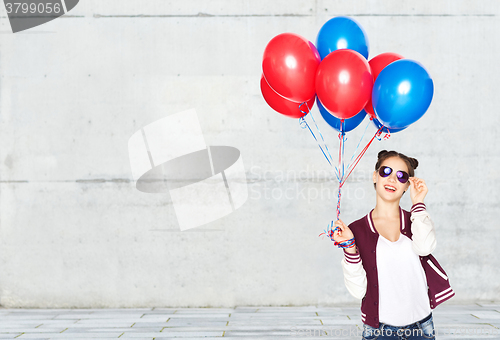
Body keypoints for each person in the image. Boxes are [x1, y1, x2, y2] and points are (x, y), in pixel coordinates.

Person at [333, 150, 454, 340]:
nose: (392, 179)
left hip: (421, 328)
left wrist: (418, 202)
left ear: (407, 185)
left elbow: (425, 248)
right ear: (375, 176)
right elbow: (358, 291)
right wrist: (350, 248)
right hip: (378, 330)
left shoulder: (416, 219)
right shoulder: (356, 229)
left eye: (401, 176)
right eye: (385, 171)